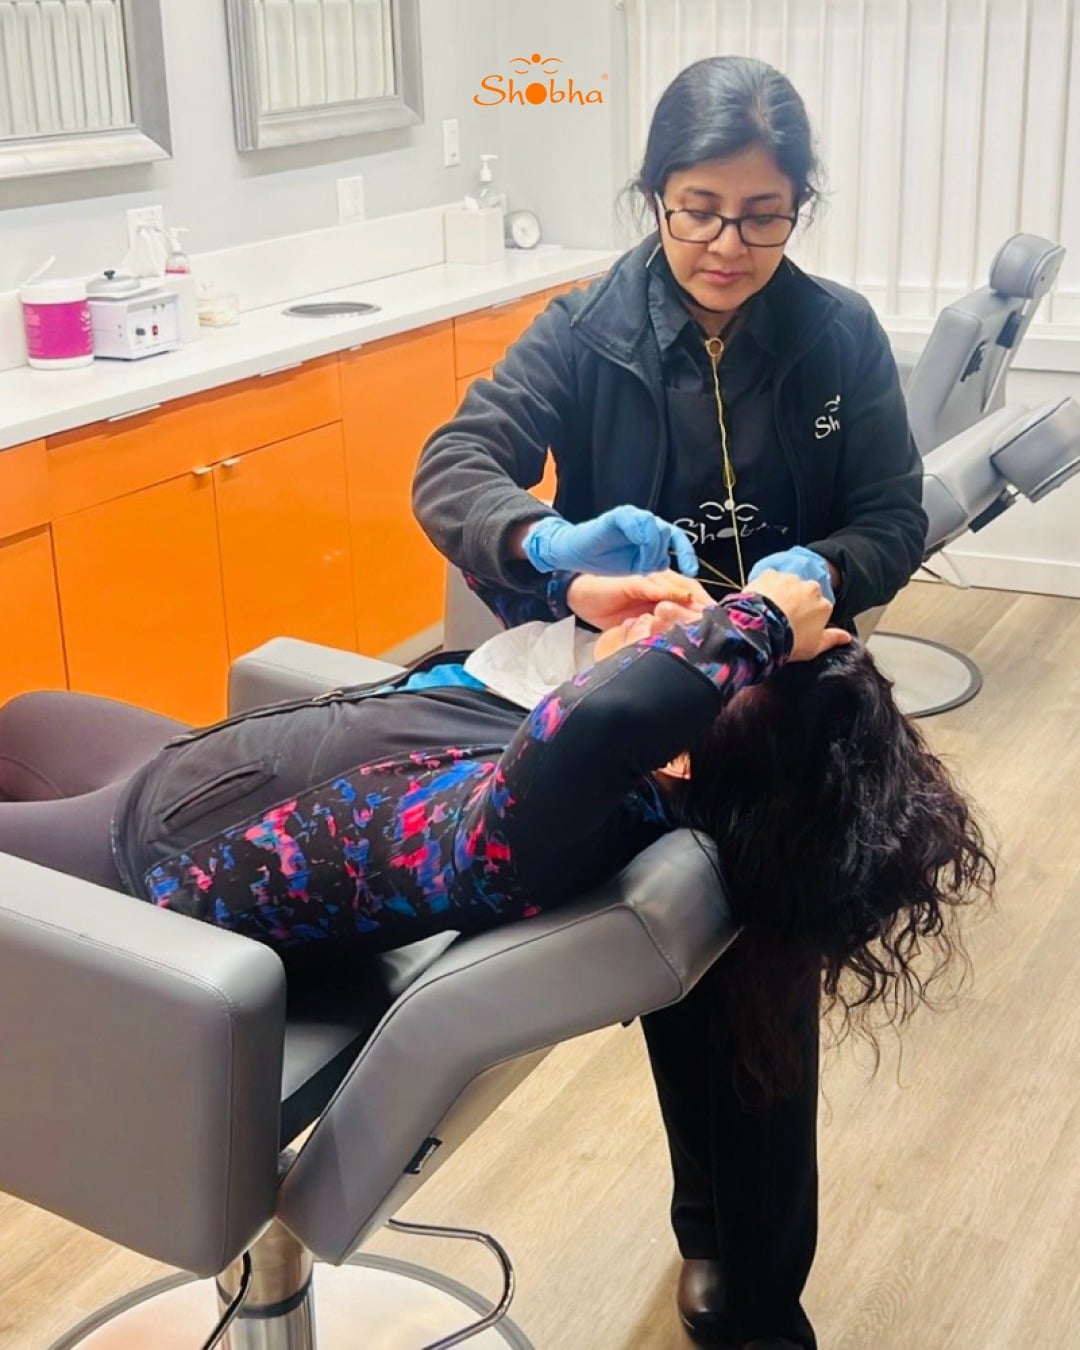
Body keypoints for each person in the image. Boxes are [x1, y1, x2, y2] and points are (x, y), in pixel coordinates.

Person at [412, 55, 928, 1348]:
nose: (727, 245)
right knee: (674, 975)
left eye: (763, 215)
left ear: (800, 205)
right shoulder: (586, 327)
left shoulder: (839, 335)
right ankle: (708, 1232)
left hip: (780, 721)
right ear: (654, 194)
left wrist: (830, 569)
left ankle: (762, 1298)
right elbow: (455, 463)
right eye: (697, 209)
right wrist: (545, 545)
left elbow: (893, 514)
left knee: (765, 997)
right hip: (644, 714)